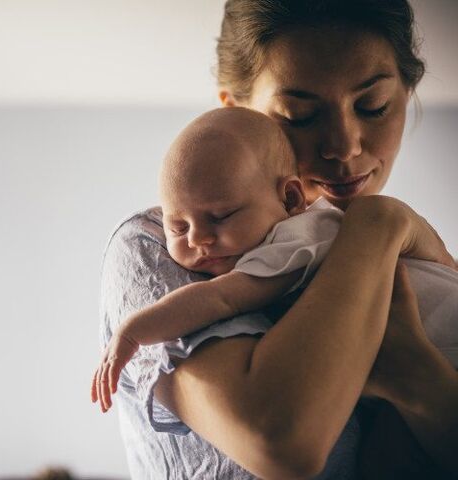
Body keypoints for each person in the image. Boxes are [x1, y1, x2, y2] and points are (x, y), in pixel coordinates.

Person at [97, 0, 458, 478]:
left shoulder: (417, 264)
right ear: (237, 113)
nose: (345, 146)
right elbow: (280, 442)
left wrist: (415, 376)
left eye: (374, 106)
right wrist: (379, 224)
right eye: (299, 115)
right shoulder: (162, 245)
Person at [91, 108, 458, 412]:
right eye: (178, 226)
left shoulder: (300, 237)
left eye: (221, 216)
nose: (199, 238)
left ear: (291, 199)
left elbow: (221, 297)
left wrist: (134, 331)